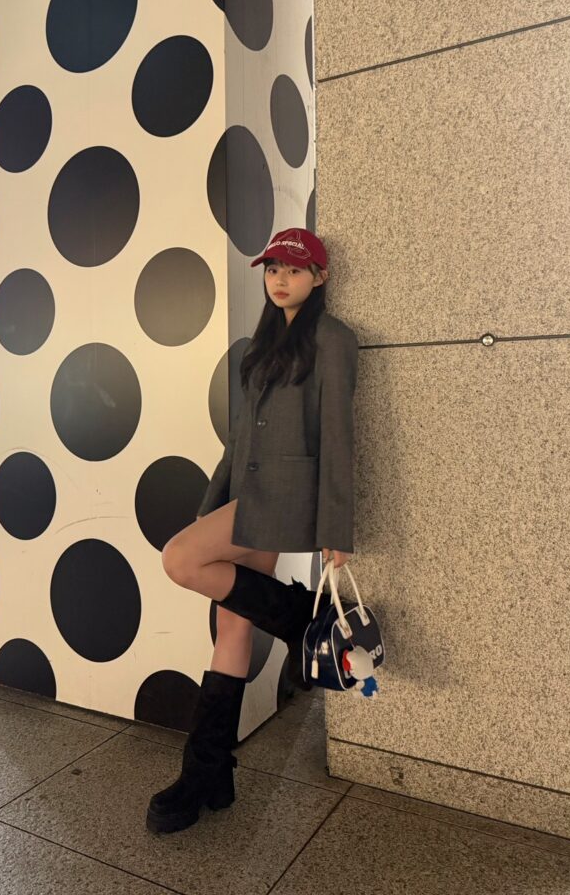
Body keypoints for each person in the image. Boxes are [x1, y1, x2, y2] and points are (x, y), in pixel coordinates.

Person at [145, 226, 359, 834]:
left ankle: (294, 616)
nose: (280, 279)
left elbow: (338, 435)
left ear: (319, 277)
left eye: (294, 269)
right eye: (272, 270)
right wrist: (211, 504)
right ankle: (208, 773)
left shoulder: (333, 339)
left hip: (288, 500)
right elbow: (237, 441)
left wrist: (335, 526)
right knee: (233, 627)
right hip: (247, 494)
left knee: (180, 559)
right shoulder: (260, 346)